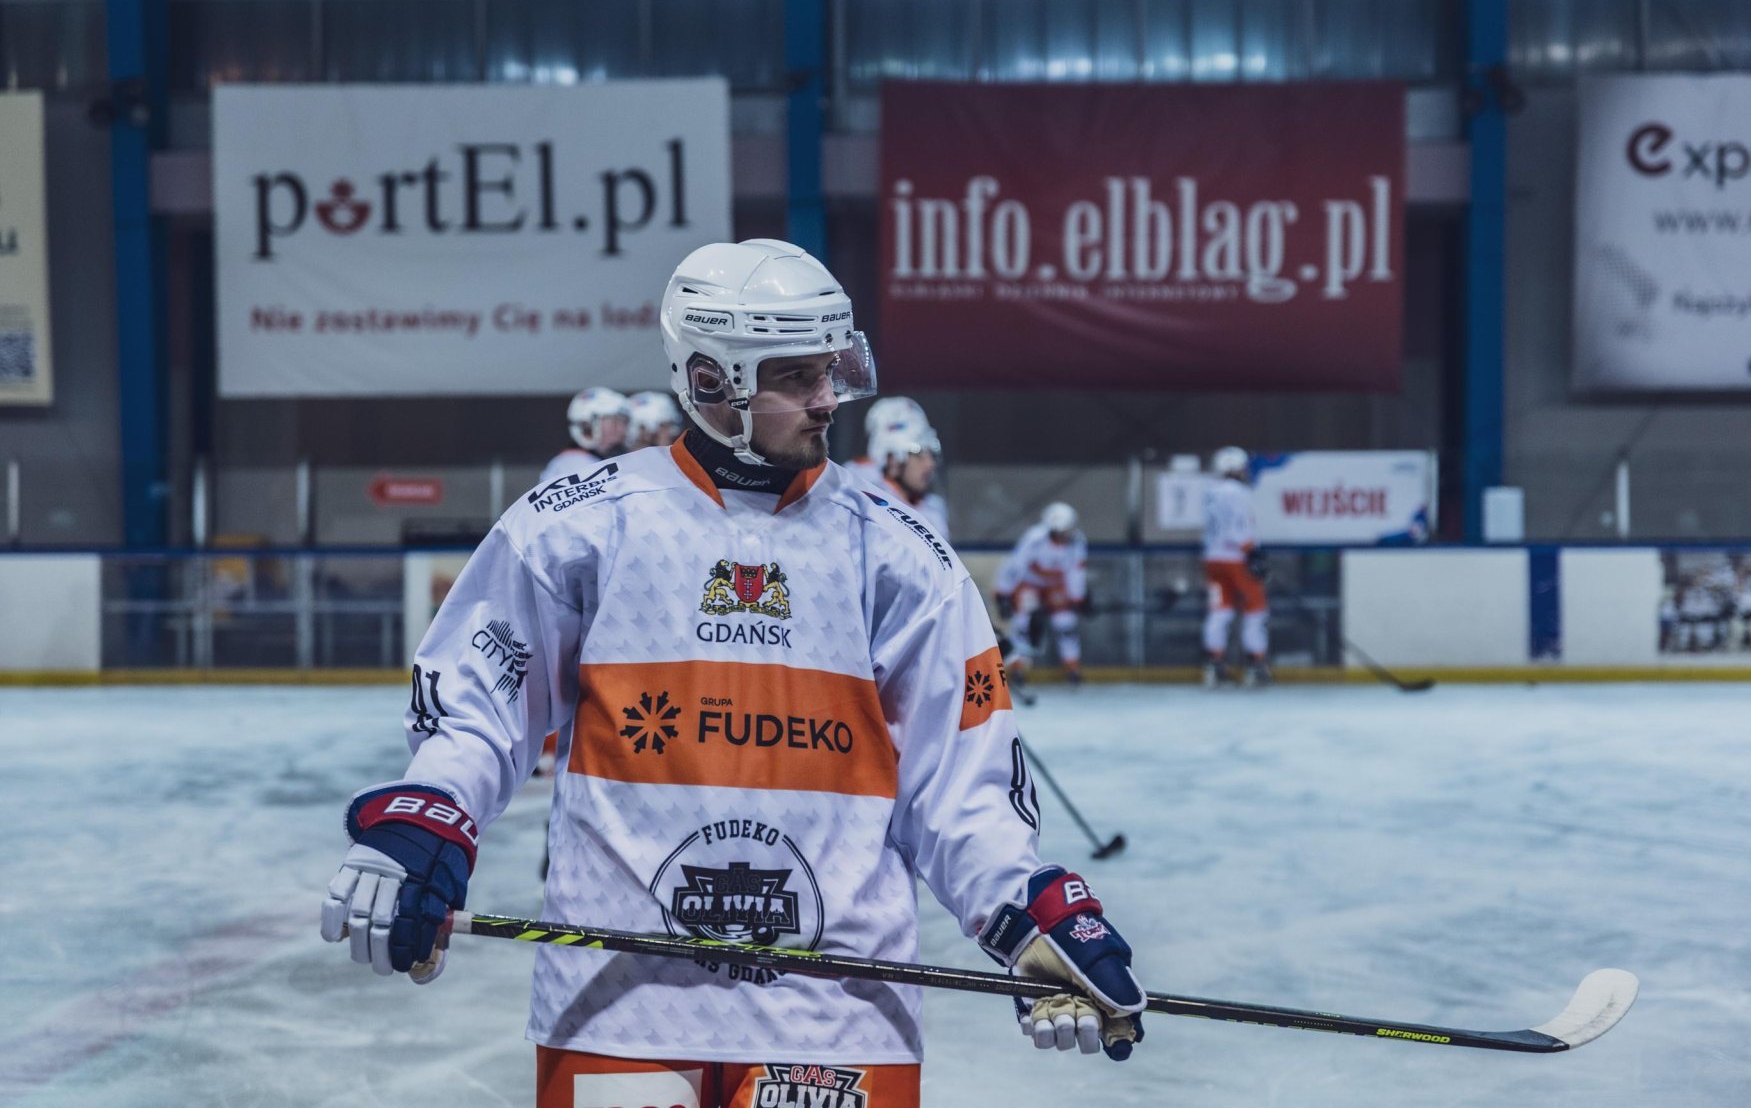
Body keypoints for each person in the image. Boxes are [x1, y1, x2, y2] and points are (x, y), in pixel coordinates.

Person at [321, 239, 1145, 1108]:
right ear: (711, 380)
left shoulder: (904, 557)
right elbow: (481, 706)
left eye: (830, 368)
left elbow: (960, 786)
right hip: (617, 1003)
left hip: (838, 1010)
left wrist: (1025, 912)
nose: (827, 398)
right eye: (796, 376)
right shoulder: (577, 526)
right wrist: (433, 810)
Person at [994, 502, 1089, 688]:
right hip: (1030, 584)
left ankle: (1072, 667)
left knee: (1065, 623)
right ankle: (1017, 667)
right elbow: (1016, 565)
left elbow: (1075, 571)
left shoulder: (1077, 541)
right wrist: (1003, 592)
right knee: (1022, 623)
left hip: (1056, 586)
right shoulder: (1035, 538)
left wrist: (1078, 597)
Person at [1203, 446, 1270, 687]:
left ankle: (1214, 663)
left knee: (1219, 611)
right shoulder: (1239, 493)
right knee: (1256, 610)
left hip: (1213, 560)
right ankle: (1256, 664)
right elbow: (1239, 527)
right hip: (1237, 560)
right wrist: (1252, 552)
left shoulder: (1210, 491)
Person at [858, 415, 949, 540]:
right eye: (919, 454)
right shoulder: (866, 505)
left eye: (931, 455)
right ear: (893, 462)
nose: (930, 464)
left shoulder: (934, 509)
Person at [540, 386, 630, 482]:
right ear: (587, 424)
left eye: (624, 422)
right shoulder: (574, 464)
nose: (621, 429)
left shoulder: (582, 461)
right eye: (614, 422)